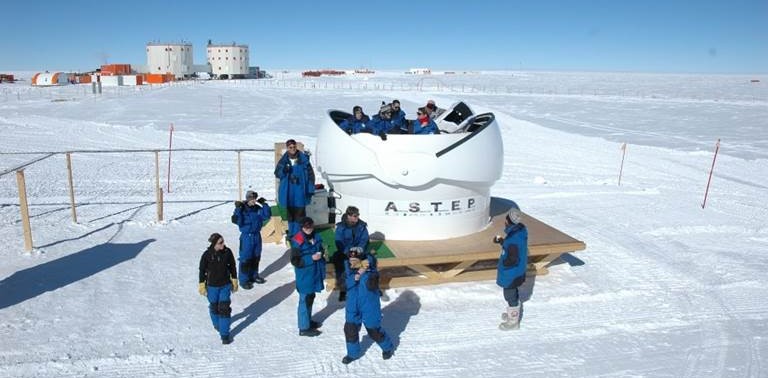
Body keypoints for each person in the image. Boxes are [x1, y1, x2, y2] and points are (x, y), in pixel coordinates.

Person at [341, 247, 394, 364]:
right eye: (350, 259)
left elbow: (373, 281)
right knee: (350, 329)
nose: (351, 262)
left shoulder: (371, 269)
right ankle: (352, 354)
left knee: (373, 329)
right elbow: (343, 284)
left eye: (355, 259)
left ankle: (387, 347)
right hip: (352, 306)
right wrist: (354, 278)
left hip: (369, 305)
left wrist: (365, 270)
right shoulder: (347, 270)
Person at [198, 233, 238, 344]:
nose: (223, 244)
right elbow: (202, 271)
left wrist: (234, 280)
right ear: (214, 244)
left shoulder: (227, 252)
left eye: (223, 241)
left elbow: (232, 267)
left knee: (224, 309)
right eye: (220, 242)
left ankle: (225, 334)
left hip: (225, 285)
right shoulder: (206, 255)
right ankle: (217, 324)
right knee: (214, 307)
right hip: (212, 287)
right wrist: (202, 284)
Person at [289, 217, 326, 337]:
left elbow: (320, 248)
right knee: (304, 300)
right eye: (306, 227)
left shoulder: (316, 236)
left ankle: (308, 321)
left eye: (310, 226)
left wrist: (322, 254)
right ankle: (303, 328)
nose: (309, 229)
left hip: (314, 274)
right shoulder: (298, 240)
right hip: (305, 276)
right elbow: (295, 261)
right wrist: (311, 258)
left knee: (310, 297)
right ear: (302, 227)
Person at [494, 206, 528, 330]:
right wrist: (502, 242)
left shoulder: (513, 238)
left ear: (508, 221)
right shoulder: (519, 231)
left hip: (511, 273)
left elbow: (512, 257)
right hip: (517, 270)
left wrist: (505, 262)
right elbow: (514, 247)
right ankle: (512, 314)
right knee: (513, 293)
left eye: (506, 219)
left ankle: (513, 321)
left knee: (509, 295)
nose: (505, 221)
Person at [274, 139, 316, 239]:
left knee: (300, 215)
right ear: (287, 148)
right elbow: (277, 173)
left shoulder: (304, 160)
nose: (292, 149)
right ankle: (292, 233)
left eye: (294, 147)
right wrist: (284, 170)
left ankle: (299, 235)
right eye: (290, 147)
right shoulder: (284, 160)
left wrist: (310, 190)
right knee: (290, 215)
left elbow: (311, 176)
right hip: (289, 193)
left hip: (300, 192)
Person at [232, 190, 272, 288]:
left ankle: (254, 275)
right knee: (246, 259)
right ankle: (244, 279)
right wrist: (238, 209)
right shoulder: (243, 209)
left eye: (255, 199)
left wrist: (264, 204)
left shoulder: (257, 208)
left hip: (256, 236)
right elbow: (238, 221)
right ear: (247, 198)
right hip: (246, 237)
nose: (253, 201)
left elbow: (266, 215)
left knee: (256, 257)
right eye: (251, 199)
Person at [333, 206, 369, 302]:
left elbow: (364, 240)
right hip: (345, 253)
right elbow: (339, 241)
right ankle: (343, 290)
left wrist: (359, 249)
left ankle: (369, 287)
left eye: (357, 215)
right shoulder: (341, 227)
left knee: (370, 262)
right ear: (348, 216)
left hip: (358, 251)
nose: (357, 217)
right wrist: (348, 252)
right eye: (354, 216)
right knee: (341, 267)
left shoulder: (362, 226)